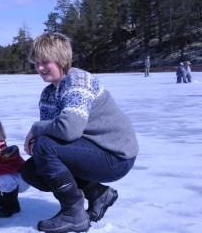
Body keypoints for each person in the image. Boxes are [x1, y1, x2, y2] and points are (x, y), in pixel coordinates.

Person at [21, 33, 139, 233]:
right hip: (92, 149)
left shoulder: (78, 82)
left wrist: (35, 129)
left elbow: (68, 130)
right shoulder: (49, 93)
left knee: (45, 148)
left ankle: (73, 214)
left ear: (61, 59)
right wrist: (38, 140)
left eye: (45, 62)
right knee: (31, 171)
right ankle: (98, 193)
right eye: (36, 63)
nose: (39, 68)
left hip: (116, 156)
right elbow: (52, 135)